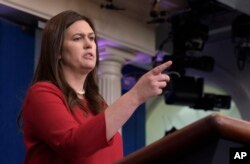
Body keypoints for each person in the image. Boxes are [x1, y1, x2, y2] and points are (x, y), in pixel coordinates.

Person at [18, 10, 172, 164]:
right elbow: (74, 145)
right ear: (57, 51)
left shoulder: (98, 104)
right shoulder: (42, 94)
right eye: (78, 38)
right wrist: (136, 95)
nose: (88, 44)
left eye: (91, 38)